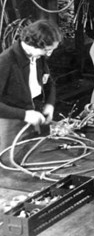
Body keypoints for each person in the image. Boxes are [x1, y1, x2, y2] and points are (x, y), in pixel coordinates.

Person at [0, 20, 62, 150]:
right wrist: (25, 115)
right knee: (10, 163)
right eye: (47, 50)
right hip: (11, 121)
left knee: (37, 155)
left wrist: (50, 104)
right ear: (32, 44)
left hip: (36, 115)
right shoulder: (5, 62)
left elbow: (49, 82)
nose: (49, 54)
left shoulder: (38, 56)